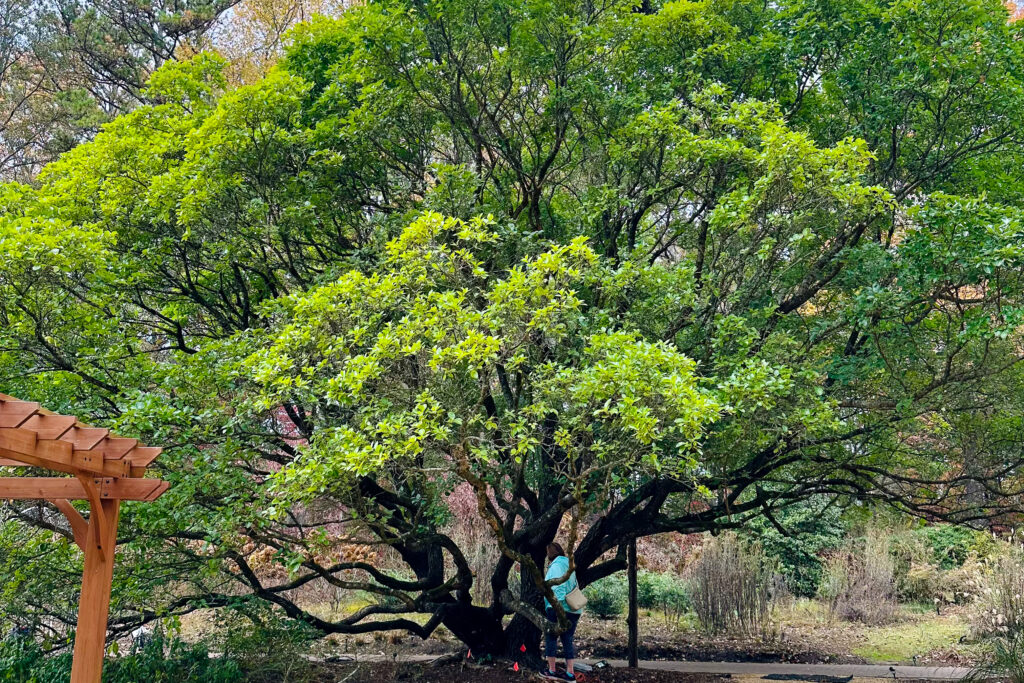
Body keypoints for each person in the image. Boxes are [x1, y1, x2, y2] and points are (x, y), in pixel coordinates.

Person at [542, 542, 583, 681]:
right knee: (567, 639)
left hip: (560, 607)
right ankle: (570, 673)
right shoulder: (569, 565)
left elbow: (558, 588)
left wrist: (557, 607)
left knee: (551, 636)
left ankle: (551, 670)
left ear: (549, 555)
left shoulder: (556, 566)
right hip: (574, 609)